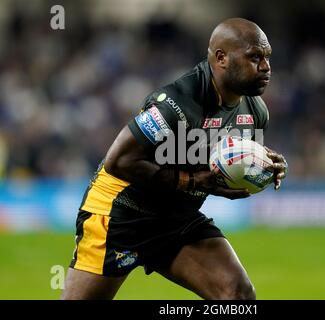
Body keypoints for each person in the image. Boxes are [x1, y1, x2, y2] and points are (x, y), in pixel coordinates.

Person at [61, 17, 288, 300]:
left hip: (176, 219)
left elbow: (231, 162)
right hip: (119, 215)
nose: (266, 67)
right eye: (255, 57)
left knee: (237, 296)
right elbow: (117, 162)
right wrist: (192, 180)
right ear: (221, 58)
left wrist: (267, 166)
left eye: (266, 57)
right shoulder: (177, 103)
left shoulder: (256, 112)